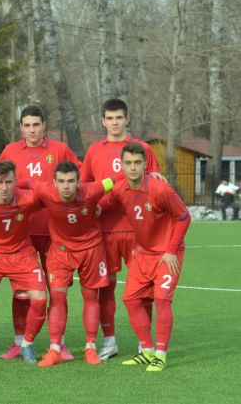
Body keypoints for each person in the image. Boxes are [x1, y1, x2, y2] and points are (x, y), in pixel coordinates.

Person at [80, 98, 160, 360]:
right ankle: (110, 341)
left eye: (119, 118)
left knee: (143, 290)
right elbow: (85, 189)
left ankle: (143, 344)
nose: (114, 123)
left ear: (127, 119)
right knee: (107, 288)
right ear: (103, 121)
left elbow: (155, 185)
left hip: (138, 232)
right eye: (109, 118)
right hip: (104, 231)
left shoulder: (142, 149)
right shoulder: (94, 151)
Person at [0, 105, 79, 360]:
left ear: (44, 125)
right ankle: (19, 341)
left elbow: (81, 176)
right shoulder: (11, 151)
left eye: (36, 124)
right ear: (21, 127)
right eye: (27, 125)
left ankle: (59, 343)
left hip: (55, 232)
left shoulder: (60, 150)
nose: (32, 130)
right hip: (23, 234)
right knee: (22, 292)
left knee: (57, 290)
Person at [103, 142, 191, 372]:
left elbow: (184, 217)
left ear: (145, 165)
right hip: (143, 253)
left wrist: (171, 250)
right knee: (130, 299)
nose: (132, 168)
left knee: (162, 300)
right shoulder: (120, 189)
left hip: (166, 254)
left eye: (137, 163)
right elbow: (104, 204)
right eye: (128, 163)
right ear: (121, 165)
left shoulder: (160, 189)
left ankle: (160, 355)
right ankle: (147, 351)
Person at [27, 161, 113, 367]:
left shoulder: (92, 190)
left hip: (91, 249)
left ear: (78, 182)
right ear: (54, 183)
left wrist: (152, 175)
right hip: (61, 251)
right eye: (62, 182)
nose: (66, 186)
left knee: (91, 297)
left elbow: (117, 181)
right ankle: (55, 349)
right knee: (56, 298)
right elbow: (26, 181)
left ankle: (90, 348)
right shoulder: (45, 190)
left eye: (71, 181)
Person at [0, 161, 48, 365]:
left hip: (21, 253)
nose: (4, 188)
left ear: (15, 181)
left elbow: (54, 197)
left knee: (39, 299)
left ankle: (27, 345)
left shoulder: (28, 198)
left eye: (9, 182)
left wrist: (30, 182)